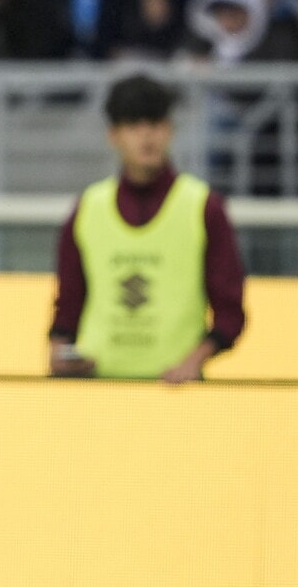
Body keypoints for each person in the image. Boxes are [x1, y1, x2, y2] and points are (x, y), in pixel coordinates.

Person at [49, 73, 246, 382]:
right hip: (99, 391)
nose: (146, 136)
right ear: (113, 135)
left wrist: (193, 362)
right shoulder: (88, 209)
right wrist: (59, 354)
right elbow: (68, 305)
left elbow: (230, 312)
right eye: (133, 125)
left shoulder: (203, 207)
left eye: (154, 123)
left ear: (170, 129)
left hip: (176, 394)